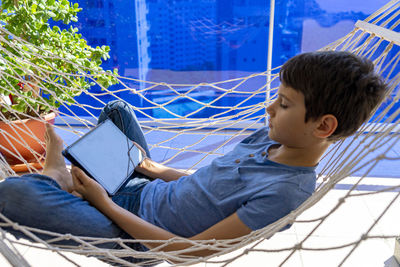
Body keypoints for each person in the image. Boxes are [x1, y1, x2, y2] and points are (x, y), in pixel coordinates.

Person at [0, 51, 387, 261]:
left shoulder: (286, 193)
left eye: (284, 104)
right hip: (141, 189)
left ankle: (57, 176)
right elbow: (205, 185)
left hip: (134, 236)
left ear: (323, 126)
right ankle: (72, 178)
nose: (270, 108)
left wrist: (103, 203)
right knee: (118, 111)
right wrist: (151, 168)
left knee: (11, 196)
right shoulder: (266, 138)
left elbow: (188, 253)